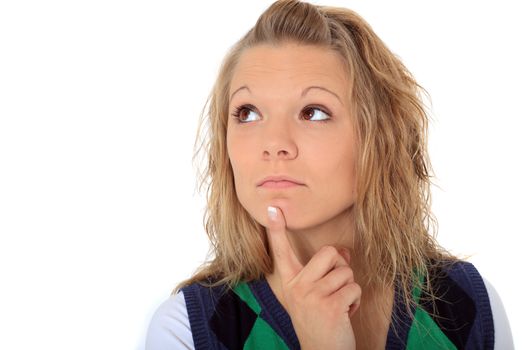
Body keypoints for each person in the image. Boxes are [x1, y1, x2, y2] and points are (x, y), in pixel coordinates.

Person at [146, 1, 513, 349]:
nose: (274, 145)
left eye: (313, 112)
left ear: (379, 138)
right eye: (248, 113)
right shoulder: (188, 331)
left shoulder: (469, 308)